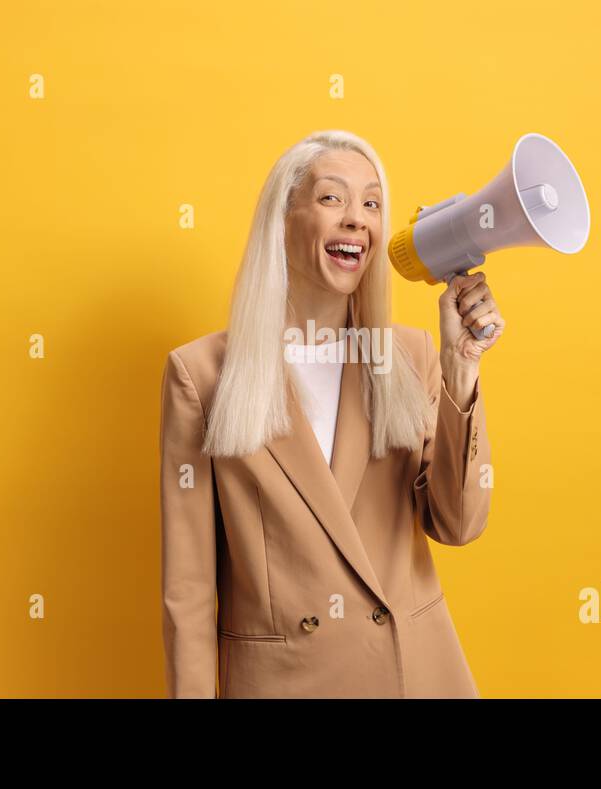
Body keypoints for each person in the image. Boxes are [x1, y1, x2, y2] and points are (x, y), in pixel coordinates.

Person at [159, 129, 503, 698]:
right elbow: (188, 593)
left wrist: (461, 368)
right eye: (331, 198)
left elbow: (459, 524)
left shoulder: (413, 358)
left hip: (410, 677)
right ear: (283, 220)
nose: (356, 219)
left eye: (372, 203)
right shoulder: (202, 376)